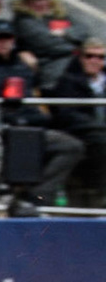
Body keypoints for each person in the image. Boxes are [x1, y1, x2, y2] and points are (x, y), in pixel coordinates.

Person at [0, 20, 85, 207]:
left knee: (71, 146)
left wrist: (43, 115)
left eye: (7, 38)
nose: (3, 42)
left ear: (14, 40)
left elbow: (35, 94)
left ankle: (35, 196)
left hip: (31, 125)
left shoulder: (22, 65)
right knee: (19, 141)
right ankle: (1, 198)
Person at [49, 37, 106, 206]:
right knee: (102, 142)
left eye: (100, 57)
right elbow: (67, 114)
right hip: (82, 132)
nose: (95, 61)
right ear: (81, 58)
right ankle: (100, 193)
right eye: (89, 56)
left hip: (100, 130)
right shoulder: (68, 81)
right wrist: (98, 127)